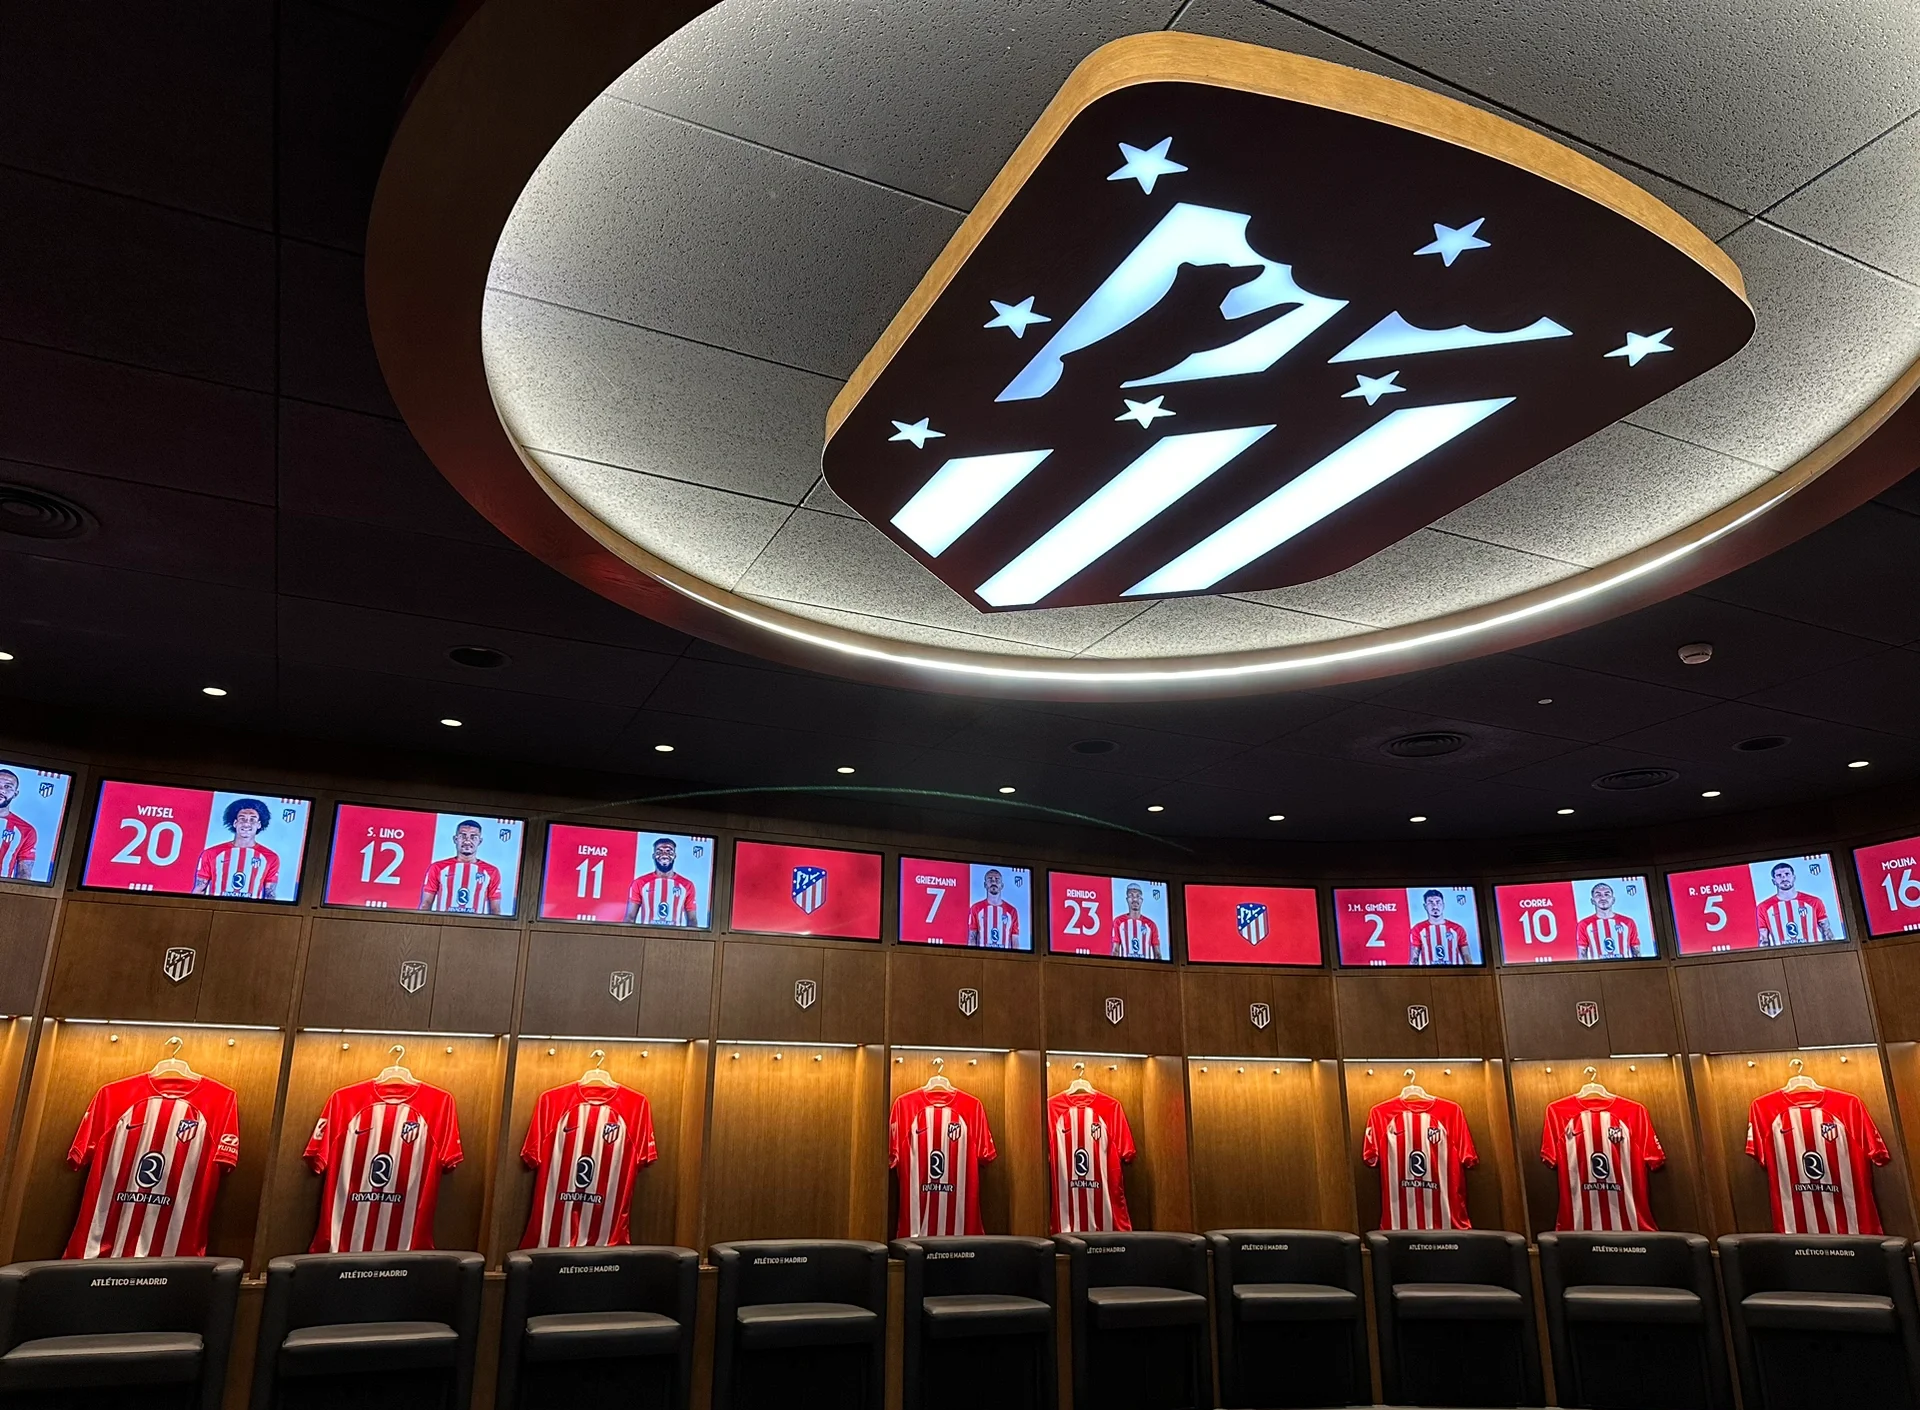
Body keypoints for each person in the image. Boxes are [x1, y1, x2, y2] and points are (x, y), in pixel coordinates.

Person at [193, 796, 280, 899]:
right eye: (242, 819)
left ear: (259, 825)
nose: (247, 823)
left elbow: (270, 896)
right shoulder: (211, 853)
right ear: (235, 823)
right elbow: (199, 889)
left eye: (252, 819)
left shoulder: (271, 857)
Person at [422, 818, 503, 915]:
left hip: (474, 928)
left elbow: (495, 910)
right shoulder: (437, 867)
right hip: (443, 925)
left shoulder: (492, 871)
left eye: (473, 837)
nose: (467, 841)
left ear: (480, 841)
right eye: (463, 836)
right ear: (455, 839)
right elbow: (426, 904)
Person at [626, 836, 698, 926]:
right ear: (653, 856)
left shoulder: (687, 885)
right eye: (659, 851)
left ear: (675, 856)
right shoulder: (639, 883)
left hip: (676, 938)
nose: (664, 855)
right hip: (646, 937)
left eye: (668, 851)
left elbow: (692, 920)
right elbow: (630, 918)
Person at [1756, 861, 1832, 946]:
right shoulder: (1763, 907)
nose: (1784, 878)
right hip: (1782, 955)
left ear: (1794, 877)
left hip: (1812, 954)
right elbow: (1763, 939)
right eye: (1779, 875)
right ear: (1774, 881)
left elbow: (1827, 931)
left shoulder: (1814, 902)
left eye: (1787, 874)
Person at [1576, 881, 1642, 959]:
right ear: (1592, 901)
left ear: (1613, 900)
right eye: (1598, 895)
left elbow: (1636, 952)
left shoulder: (1628, 922)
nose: (1603, 898)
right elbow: (1582, 955)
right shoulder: (1584, 924)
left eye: (1607, 894)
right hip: (1598, 970)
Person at [1409, 889, 1469, 965]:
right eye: (1430, 903)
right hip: (1427, 975)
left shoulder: (1457, 929)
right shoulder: (1418, 929)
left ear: (1443, 905)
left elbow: (1467, 957)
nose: (1435, 906)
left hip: (1454, 975)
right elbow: (1414, 960)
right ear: (1425, 906)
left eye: (1438, 902)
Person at [967, 867, 1020, 949]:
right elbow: (972, 938)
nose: (994, 881)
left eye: (997, 879)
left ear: (1002, 885)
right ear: (985, 885)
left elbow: (1015, 941)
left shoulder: (1012, 911)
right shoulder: (976, 908)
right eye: (990, 879)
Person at [0, 770, 38, 881]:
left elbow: (24, 873)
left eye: (7, 786)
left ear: (15, 794)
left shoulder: (27, 831)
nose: (1, 790)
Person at [1109, 883, 1162, 959]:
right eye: (1131, 896)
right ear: (1127, 899)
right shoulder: (1118, 922)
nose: (1135, 899)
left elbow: (1157, 954)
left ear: (1142, 900)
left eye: (1138, 896)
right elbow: (1115, 950)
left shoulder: (1151, 925)